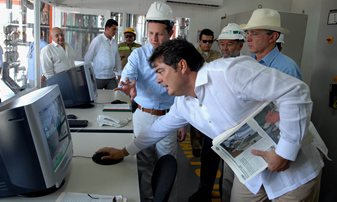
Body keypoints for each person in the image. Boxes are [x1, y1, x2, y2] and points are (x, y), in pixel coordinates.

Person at [98, 38, 326, 202]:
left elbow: (296, 92)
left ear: (182, 66)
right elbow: (157, 129)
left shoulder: (228, 73)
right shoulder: (184, 104)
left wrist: (284, 152)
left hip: (293, 168)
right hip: (252, 171)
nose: (157, 80)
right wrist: (124, 152)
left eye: (160, 71)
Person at [113, 1, 186, 202]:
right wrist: (126, 86)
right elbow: (126, 76)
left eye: (159, 34)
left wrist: (183, 123)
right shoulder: (138, 54)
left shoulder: (179, 57)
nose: (154, 38)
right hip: (143, 115)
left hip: (168, 118)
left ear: (170, 32)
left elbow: (183, 91)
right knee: (143, 165)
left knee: (167, 165)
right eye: (151, 32)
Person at [189, 23, 245, 202]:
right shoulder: (215, 65)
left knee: (230, 169)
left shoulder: (246, 68)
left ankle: (224, 196)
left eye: (230, 44)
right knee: (208, 162)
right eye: (222, 44)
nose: (225, 48)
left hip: (236, 128)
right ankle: (204, 193)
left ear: (240, 46)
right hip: (213, 125)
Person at [238, 8, 302, 80]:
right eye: (247, 34)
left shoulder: (287, 69)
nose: (247, 39)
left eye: (254, 34)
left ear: (273, 37)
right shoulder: (248, 61)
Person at [190, 29, 222, 158]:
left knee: (210, 118)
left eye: (210, 41)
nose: (207, 44)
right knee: (196, 120)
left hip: (212, 91)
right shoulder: (193, 54)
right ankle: (196, 146)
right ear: (199, 41)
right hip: (196, 90)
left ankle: (207, 144)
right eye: (204, 41)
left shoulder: (217, 55)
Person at [85, 19, 121, 90]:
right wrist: (89, 75)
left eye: (116, 29)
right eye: (114, 29)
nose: (115, 32)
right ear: (107, 28)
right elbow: (87, 58)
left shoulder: (114, 42)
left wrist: (119, 73)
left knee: (113, 97)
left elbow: (117, 59)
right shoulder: (98, 40)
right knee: (97, 98)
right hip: (98, 77)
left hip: (111, 77)